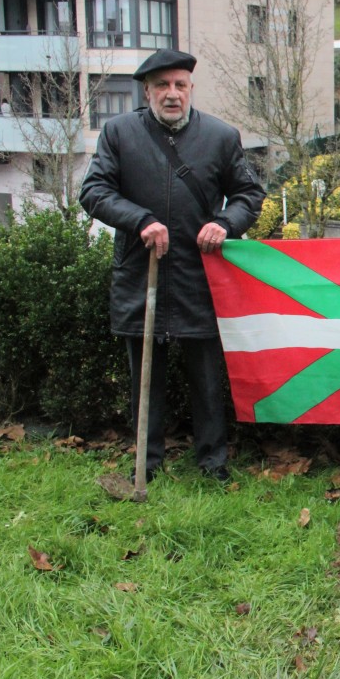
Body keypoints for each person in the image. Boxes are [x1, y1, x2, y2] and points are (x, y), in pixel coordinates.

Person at [80, 48, 266, 483]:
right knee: (145, 378)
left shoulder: (220, 136)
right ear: (146, 91)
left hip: (199, 277)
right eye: (162, 85)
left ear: (190, 89)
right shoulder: (118, 133)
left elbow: (248, 195)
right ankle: (147, 462)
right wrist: (139, 220)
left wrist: (225, 223)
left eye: (180, 85)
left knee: (205, 379)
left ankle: (213, 463)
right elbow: (94, 191)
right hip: (139, 273)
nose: (172, 94)